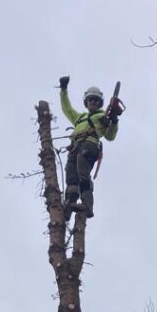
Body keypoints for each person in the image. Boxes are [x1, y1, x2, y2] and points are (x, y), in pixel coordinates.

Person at [59, 76, 119, 220]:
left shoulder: (103, 117)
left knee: (82, 173)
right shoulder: (79, 118)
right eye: (90, 99)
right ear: (86, 102)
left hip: (89, 145)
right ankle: (70, 203)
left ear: (99, 103)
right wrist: (63, 89)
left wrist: (113, 121)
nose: (92, 101)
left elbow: (110, 136)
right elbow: (67, 108)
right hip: (74, 148)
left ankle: (87, 204)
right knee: (71, 177)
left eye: (95, 100)